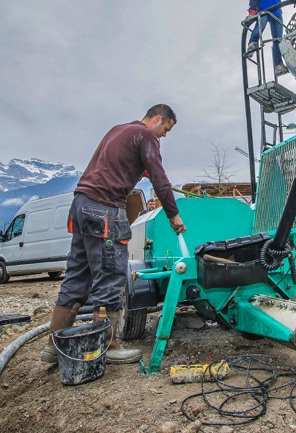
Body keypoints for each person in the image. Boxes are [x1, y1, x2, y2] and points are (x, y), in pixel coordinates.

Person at [40, 104, 187, 365]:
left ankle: (55, 345)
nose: (165, 135)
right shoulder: (146, 136)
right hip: (105, 208)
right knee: (110, 274)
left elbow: (123, 167)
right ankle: (107, 345)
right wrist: (173, 215)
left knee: (78, 273)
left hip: (81, 204)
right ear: (157, 119)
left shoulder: (118, 131)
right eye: (166, 129)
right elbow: (158, 177)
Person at [247, 0, 296, 77]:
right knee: (260, 25)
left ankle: (278, 65)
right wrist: (252, 12)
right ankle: (252, 44)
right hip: (262, 10)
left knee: (278, 39)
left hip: (276, 11)